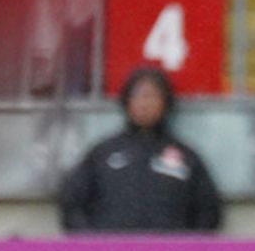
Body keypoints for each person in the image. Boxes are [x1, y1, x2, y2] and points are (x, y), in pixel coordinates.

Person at [59, 65, 222, 233]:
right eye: (137, 96)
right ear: (126, 101)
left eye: (152, 96)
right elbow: (72, 204)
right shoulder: (103, 153)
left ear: (166, 102)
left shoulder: (186, 157)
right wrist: (92, 246)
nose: (145, 104)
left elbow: (208, 212)